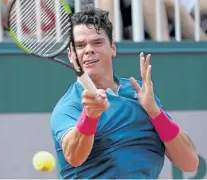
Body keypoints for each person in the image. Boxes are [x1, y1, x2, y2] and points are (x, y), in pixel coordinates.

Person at [50, 4, 199, 179]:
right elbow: (74, 156)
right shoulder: (69, 107)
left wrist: (154, 112)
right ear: (70, 54)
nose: (89, 49)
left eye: (97, 42)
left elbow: (189, 162)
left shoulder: (140, 93)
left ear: (113, 47)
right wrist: (90, 115)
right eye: (80, 45)